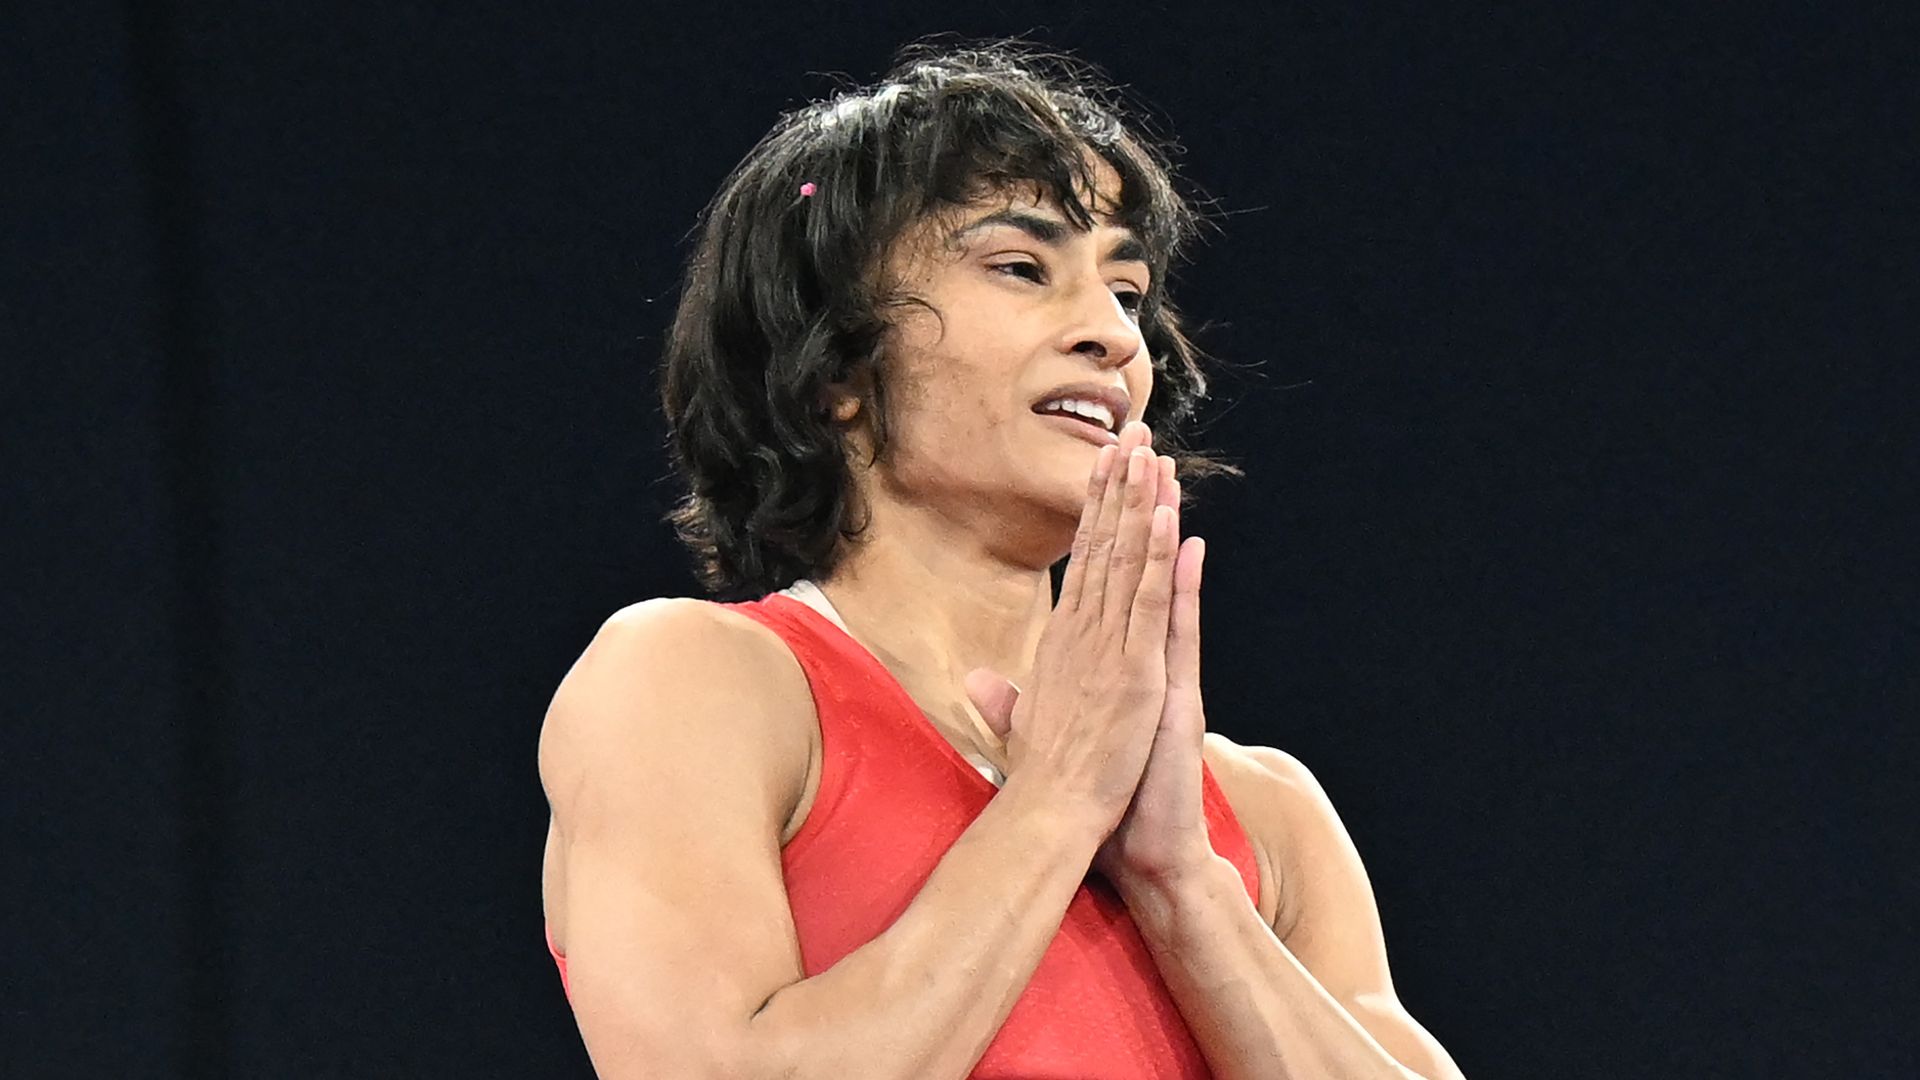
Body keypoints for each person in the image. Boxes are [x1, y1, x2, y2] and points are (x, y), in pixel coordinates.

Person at [537, 39, 1466, 1080]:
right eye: (1023, 268)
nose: (1113, 335)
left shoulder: (1263, 814)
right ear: (834, 367)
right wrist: (1057, 801)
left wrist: (1183, 888)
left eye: (1127, 291)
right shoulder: (694, 683)